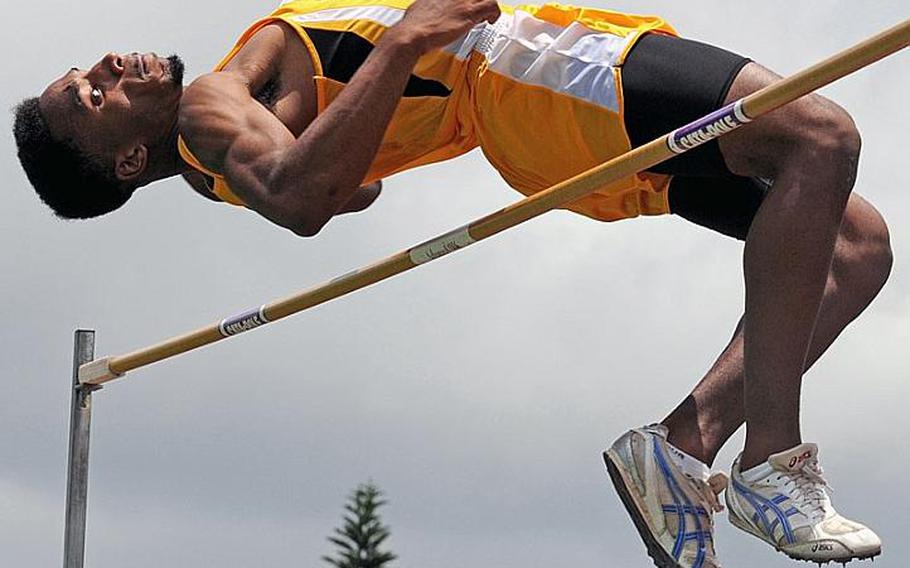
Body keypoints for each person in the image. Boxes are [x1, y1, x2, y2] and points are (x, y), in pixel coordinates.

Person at [13, 1, 892, 566]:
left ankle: (682, 446)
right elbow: (308, 197)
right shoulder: (212, 105)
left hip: (529, 101)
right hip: (522, 70)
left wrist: (322, 90)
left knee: (853, 245)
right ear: (131, 158)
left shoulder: (225, 144)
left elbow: (352, 187)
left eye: (88, 69)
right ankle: (773, 461)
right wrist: (400, 40)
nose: (108, 65)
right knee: (819, 136)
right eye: (92, 95)